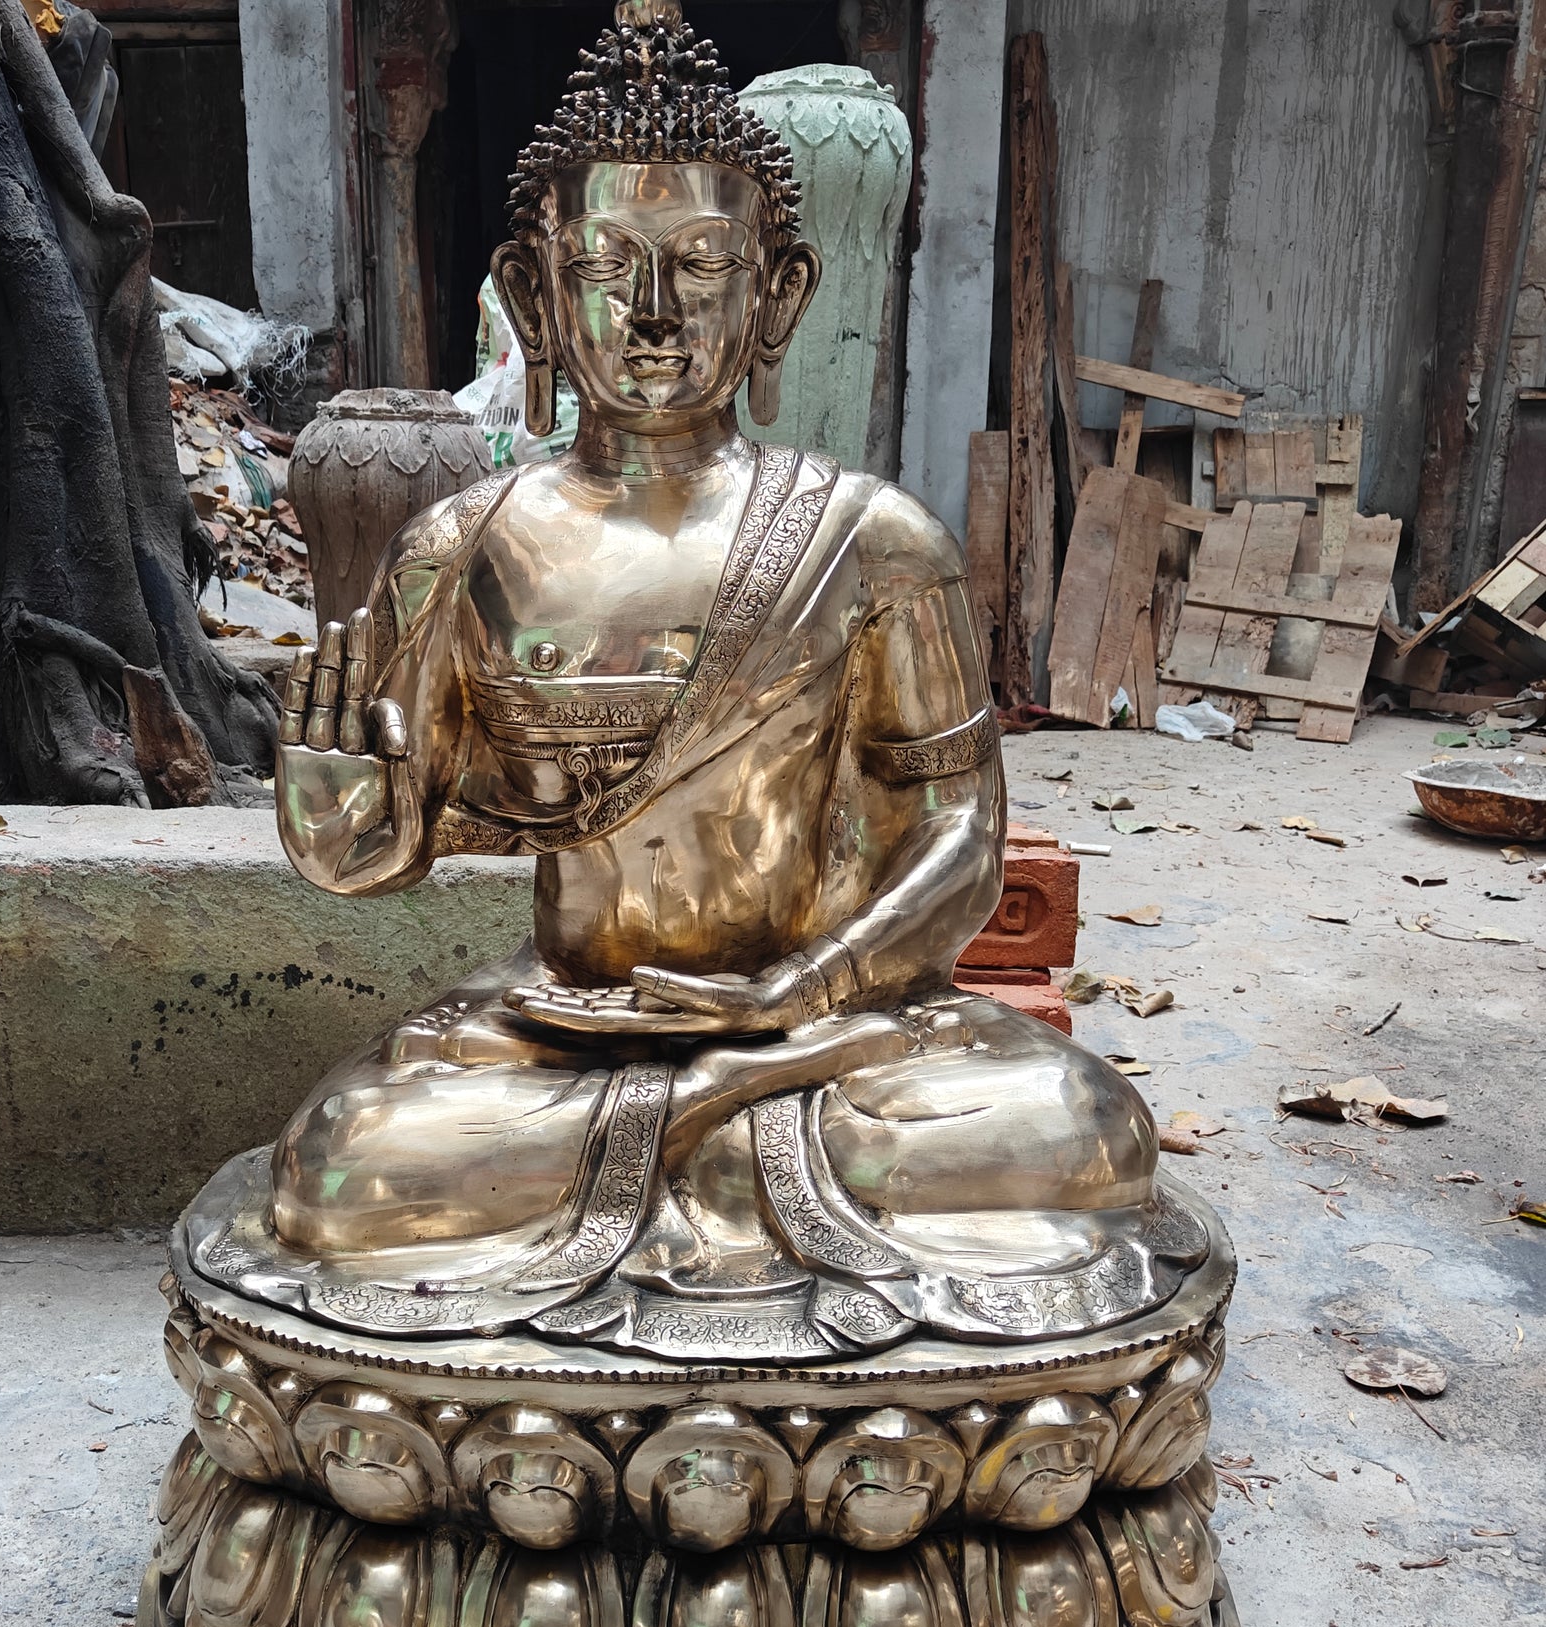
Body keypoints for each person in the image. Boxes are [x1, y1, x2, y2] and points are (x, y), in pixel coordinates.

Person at [223, 2, 1202, 1362]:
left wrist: (796, 994)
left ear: (778, 294)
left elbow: (962, 840)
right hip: (568, 1034)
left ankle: (692, 1162)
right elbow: (387, 844)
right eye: (607, 265)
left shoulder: (873, 541)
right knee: (351, 1159)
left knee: (1083, 1128)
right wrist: (340, 813)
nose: (653, 313)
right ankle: (714, 1169)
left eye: (700, 264)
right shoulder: (466, 547)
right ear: (534, 297)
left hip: (828, 1030)